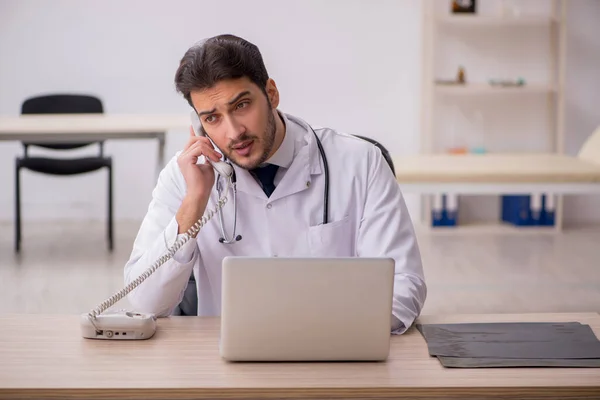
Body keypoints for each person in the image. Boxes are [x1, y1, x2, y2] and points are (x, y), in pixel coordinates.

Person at [124, 34, 426, 334]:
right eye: (212, 118)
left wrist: (304, 333)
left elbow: (403, 289)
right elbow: (143, 305)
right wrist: (193, 204)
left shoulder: (361, 162)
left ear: (271, 93)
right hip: (224, 370)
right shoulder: (185, 177)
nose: (234, 132)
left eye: (241, 105)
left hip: (336, 357)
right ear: (199, 124)